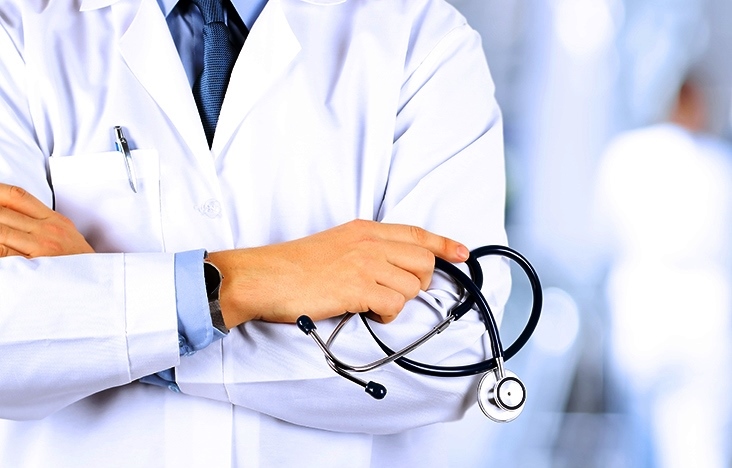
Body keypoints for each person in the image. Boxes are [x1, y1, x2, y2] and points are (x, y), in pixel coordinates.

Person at [0, 0, 509, 466]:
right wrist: (250, 282)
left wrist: (105, 319)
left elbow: (451, 354)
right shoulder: (18, 31)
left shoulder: (421, 39)